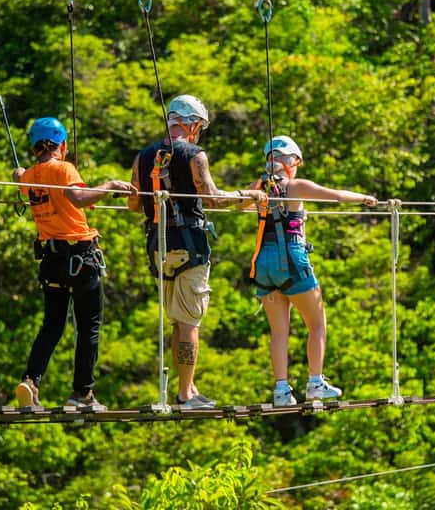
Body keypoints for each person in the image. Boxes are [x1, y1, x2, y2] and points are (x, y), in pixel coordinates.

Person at [128, 94, 266, 409]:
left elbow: (134, 203)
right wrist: (249, 195)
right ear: (192, 125)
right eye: (200, 127)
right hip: (190, 245)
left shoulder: (144, 156)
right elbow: (214, 199)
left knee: (178, 321)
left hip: (157, 247)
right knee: (190, 323)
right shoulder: (195, 154)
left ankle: (186, 389)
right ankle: (185, 392)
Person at [13, 117, 136, 410]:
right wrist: (111, 185)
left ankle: (30, 381)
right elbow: (78, 198)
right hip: (80, 258)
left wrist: (20, 174)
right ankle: (82, 394)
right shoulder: (63, 168)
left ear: (34, 148)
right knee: (88, 327)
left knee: (52, 326)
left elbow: (21, 180)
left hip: (52, 261)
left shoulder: (30, 176)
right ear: (63, 145)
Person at [246, 135, 378, 406]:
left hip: (263, 263)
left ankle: (281, 391)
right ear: (290, 161)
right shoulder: (297, 186)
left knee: (279, 332)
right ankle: (315, 383)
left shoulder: (256, 188)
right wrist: (365, 198)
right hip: (291, 260)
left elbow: (232, 202)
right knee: (317, 325)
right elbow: (336, 196)